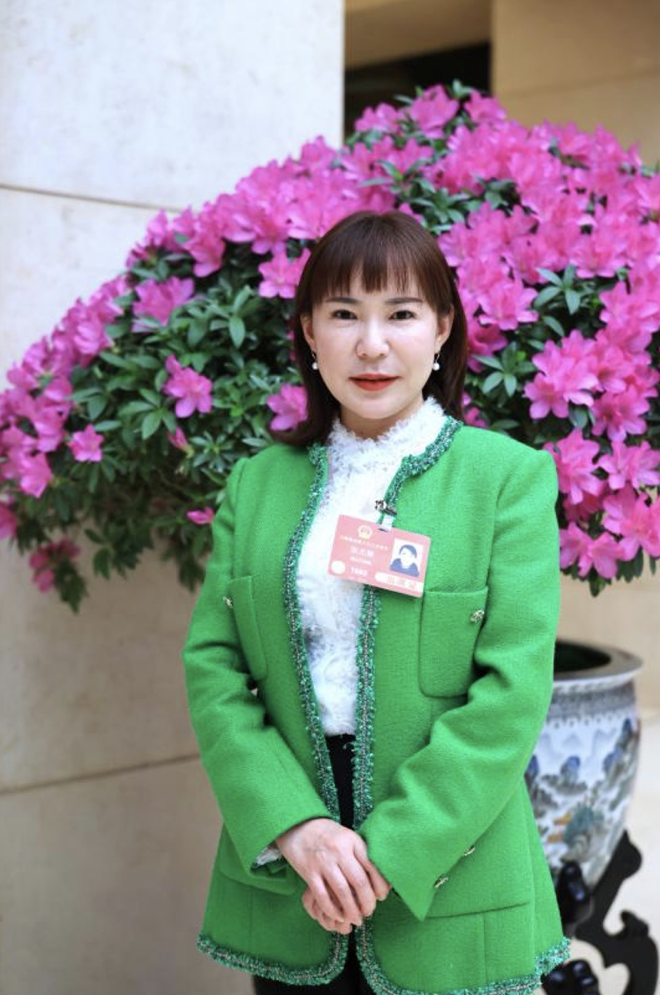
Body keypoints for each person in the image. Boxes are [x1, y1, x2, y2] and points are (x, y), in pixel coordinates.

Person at [181, 210, 569, 995]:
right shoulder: (256, 485)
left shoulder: (505, 479)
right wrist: (293, 824)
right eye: (344, 314)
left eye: (401, 314)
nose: (371, 344)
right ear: (308, 333)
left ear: (442, 328)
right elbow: (214, 668)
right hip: (297, 866)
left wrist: (392, 848)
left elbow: (513, 691)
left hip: (451, 865)